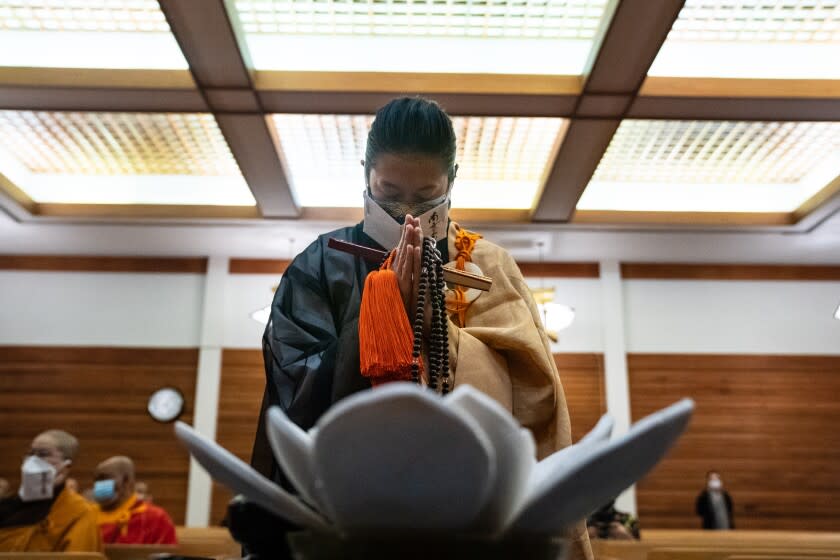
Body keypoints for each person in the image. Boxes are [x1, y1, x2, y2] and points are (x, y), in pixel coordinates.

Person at [249, 96, 592, 560]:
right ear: (365, 174)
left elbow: (535, 398)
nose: (406, 214)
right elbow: (294, 392)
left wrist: (437, 330)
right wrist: (380, 318)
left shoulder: (488, 265)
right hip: (347, 514)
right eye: (388, 193)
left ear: (452, 180)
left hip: (469, 516)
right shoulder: (319, 263)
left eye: (427, 196)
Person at [0, 429, 101, 552]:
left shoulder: (79, 511)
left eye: (43, 454)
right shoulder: (8, 506)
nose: (32, 461)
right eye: (30, 454)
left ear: (66, 466)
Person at [93, 456, 177, 545]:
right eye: (97, 480)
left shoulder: (155, 518)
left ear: (126, 480)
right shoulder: (89, 515)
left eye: (105, 478)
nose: (99, 485)